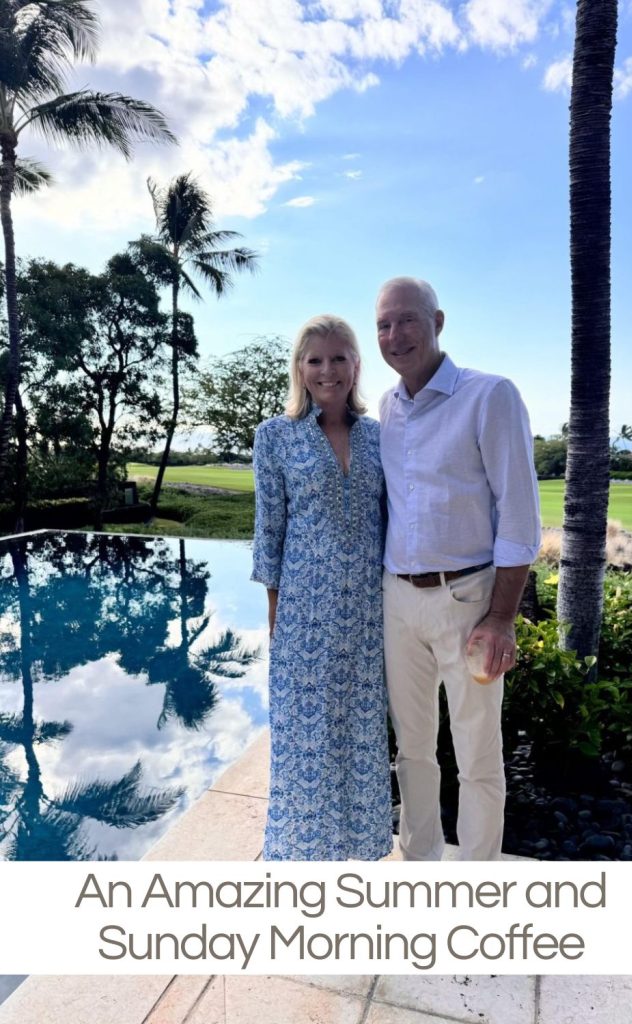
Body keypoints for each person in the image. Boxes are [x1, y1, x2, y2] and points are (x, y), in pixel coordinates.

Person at [376, 277, 541, 861]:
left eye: (407, 320)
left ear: (438, 321)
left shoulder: (490, 395)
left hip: (469, 602)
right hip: (398, 602)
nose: (394, 336)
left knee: (476, 753)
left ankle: (477, 883)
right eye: (384, 325)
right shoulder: (386, 408)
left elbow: (521, 519)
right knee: (413, 749)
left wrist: (501, 618)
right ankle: (419, 861)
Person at [251, 314, 393, 861]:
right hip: (304, 614)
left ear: (356, 365)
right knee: (304, 741)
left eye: (339, 358)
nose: (327, 370)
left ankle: (357, 849)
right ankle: (302, 856)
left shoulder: (381, 437)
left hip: (368, 612)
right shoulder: (275, 436)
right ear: (300, 369)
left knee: (358, 733)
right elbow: (269, 530)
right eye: (315, 360)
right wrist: (274, 612)